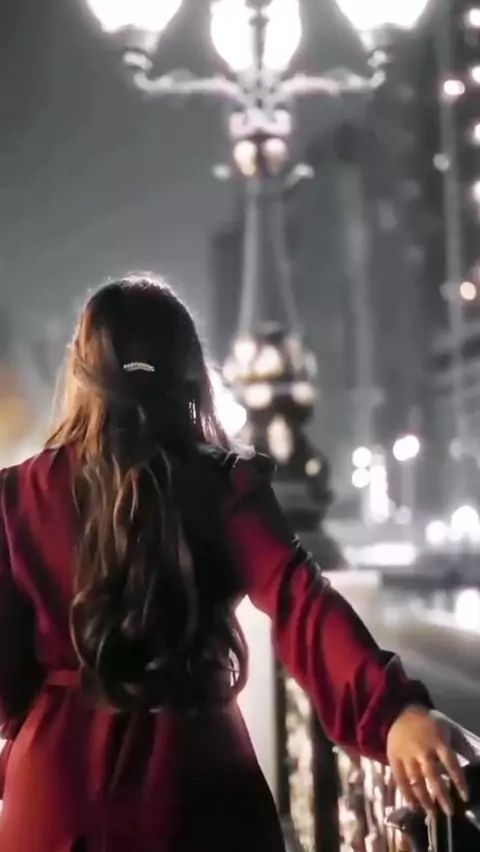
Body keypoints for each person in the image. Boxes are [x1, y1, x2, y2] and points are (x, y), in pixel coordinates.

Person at [0, 275, 468, 851]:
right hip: (196, 783)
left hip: (54, 791)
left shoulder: (14, 497)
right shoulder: (226, 484)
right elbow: (301, 603)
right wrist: (393, 713)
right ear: (190, 371)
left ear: (81, 371)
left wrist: (39, 726)